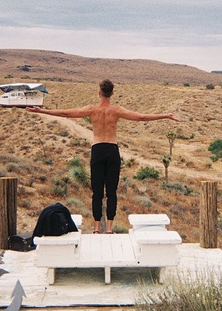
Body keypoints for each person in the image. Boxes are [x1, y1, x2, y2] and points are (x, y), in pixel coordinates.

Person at [26, 79, 181, 233]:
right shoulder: (117, 110)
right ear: (112, 93)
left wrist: (42, 111)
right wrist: (165, 115)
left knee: (97, 192)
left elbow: (66, 113)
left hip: (98, 150)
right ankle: (109, 228)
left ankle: (97, 228)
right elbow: (141, 117)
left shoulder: (92, 110)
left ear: (99, 93)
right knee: (112, 191)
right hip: (112, 150)